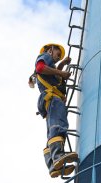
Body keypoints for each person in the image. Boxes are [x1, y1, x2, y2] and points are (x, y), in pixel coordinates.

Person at [34, 43, 79, 178]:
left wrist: (62, 64)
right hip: (53, 98)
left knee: (52, 129)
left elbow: (53, 73)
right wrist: (61, 72)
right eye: (58, 55)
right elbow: (41, 68)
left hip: (49, 100)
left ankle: (53, 165)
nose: (58, 58)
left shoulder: (52, 65)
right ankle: (58, 155)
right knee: (58, 125)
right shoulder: (45, 57)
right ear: (50, 50)